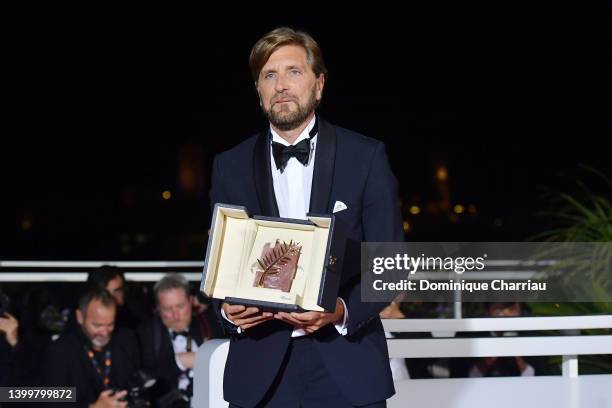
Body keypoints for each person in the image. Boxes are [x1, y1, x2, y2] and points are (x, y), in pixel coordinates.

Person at [209, 27, 403, 407]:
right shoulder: (228, 166)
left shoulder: (365, 157)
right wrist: (227, 311)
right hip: (260, 370)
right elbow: (218, 263)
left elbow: (391, 263)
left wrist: (341, 311)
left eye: (293, 72)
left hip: (347, 365)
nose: (281, 85)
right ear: (258, 90)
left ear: (319, 84)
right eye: (269, 75)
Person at [42, 287, 140, 407]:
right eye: (97, 325)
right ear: (80, 317)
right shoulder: (61, 352)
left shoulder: (126, 341)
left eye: (110, 325)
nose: (104, 333)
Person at [137, 274, 221, 404]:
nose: (176, 315)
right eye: (168, 309)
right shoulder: (146, 334)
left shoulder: (209, 324)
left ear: (191, 301)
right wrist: (179, 362)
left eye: (180, 306)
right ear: (158, 309)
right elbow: (146, 379)